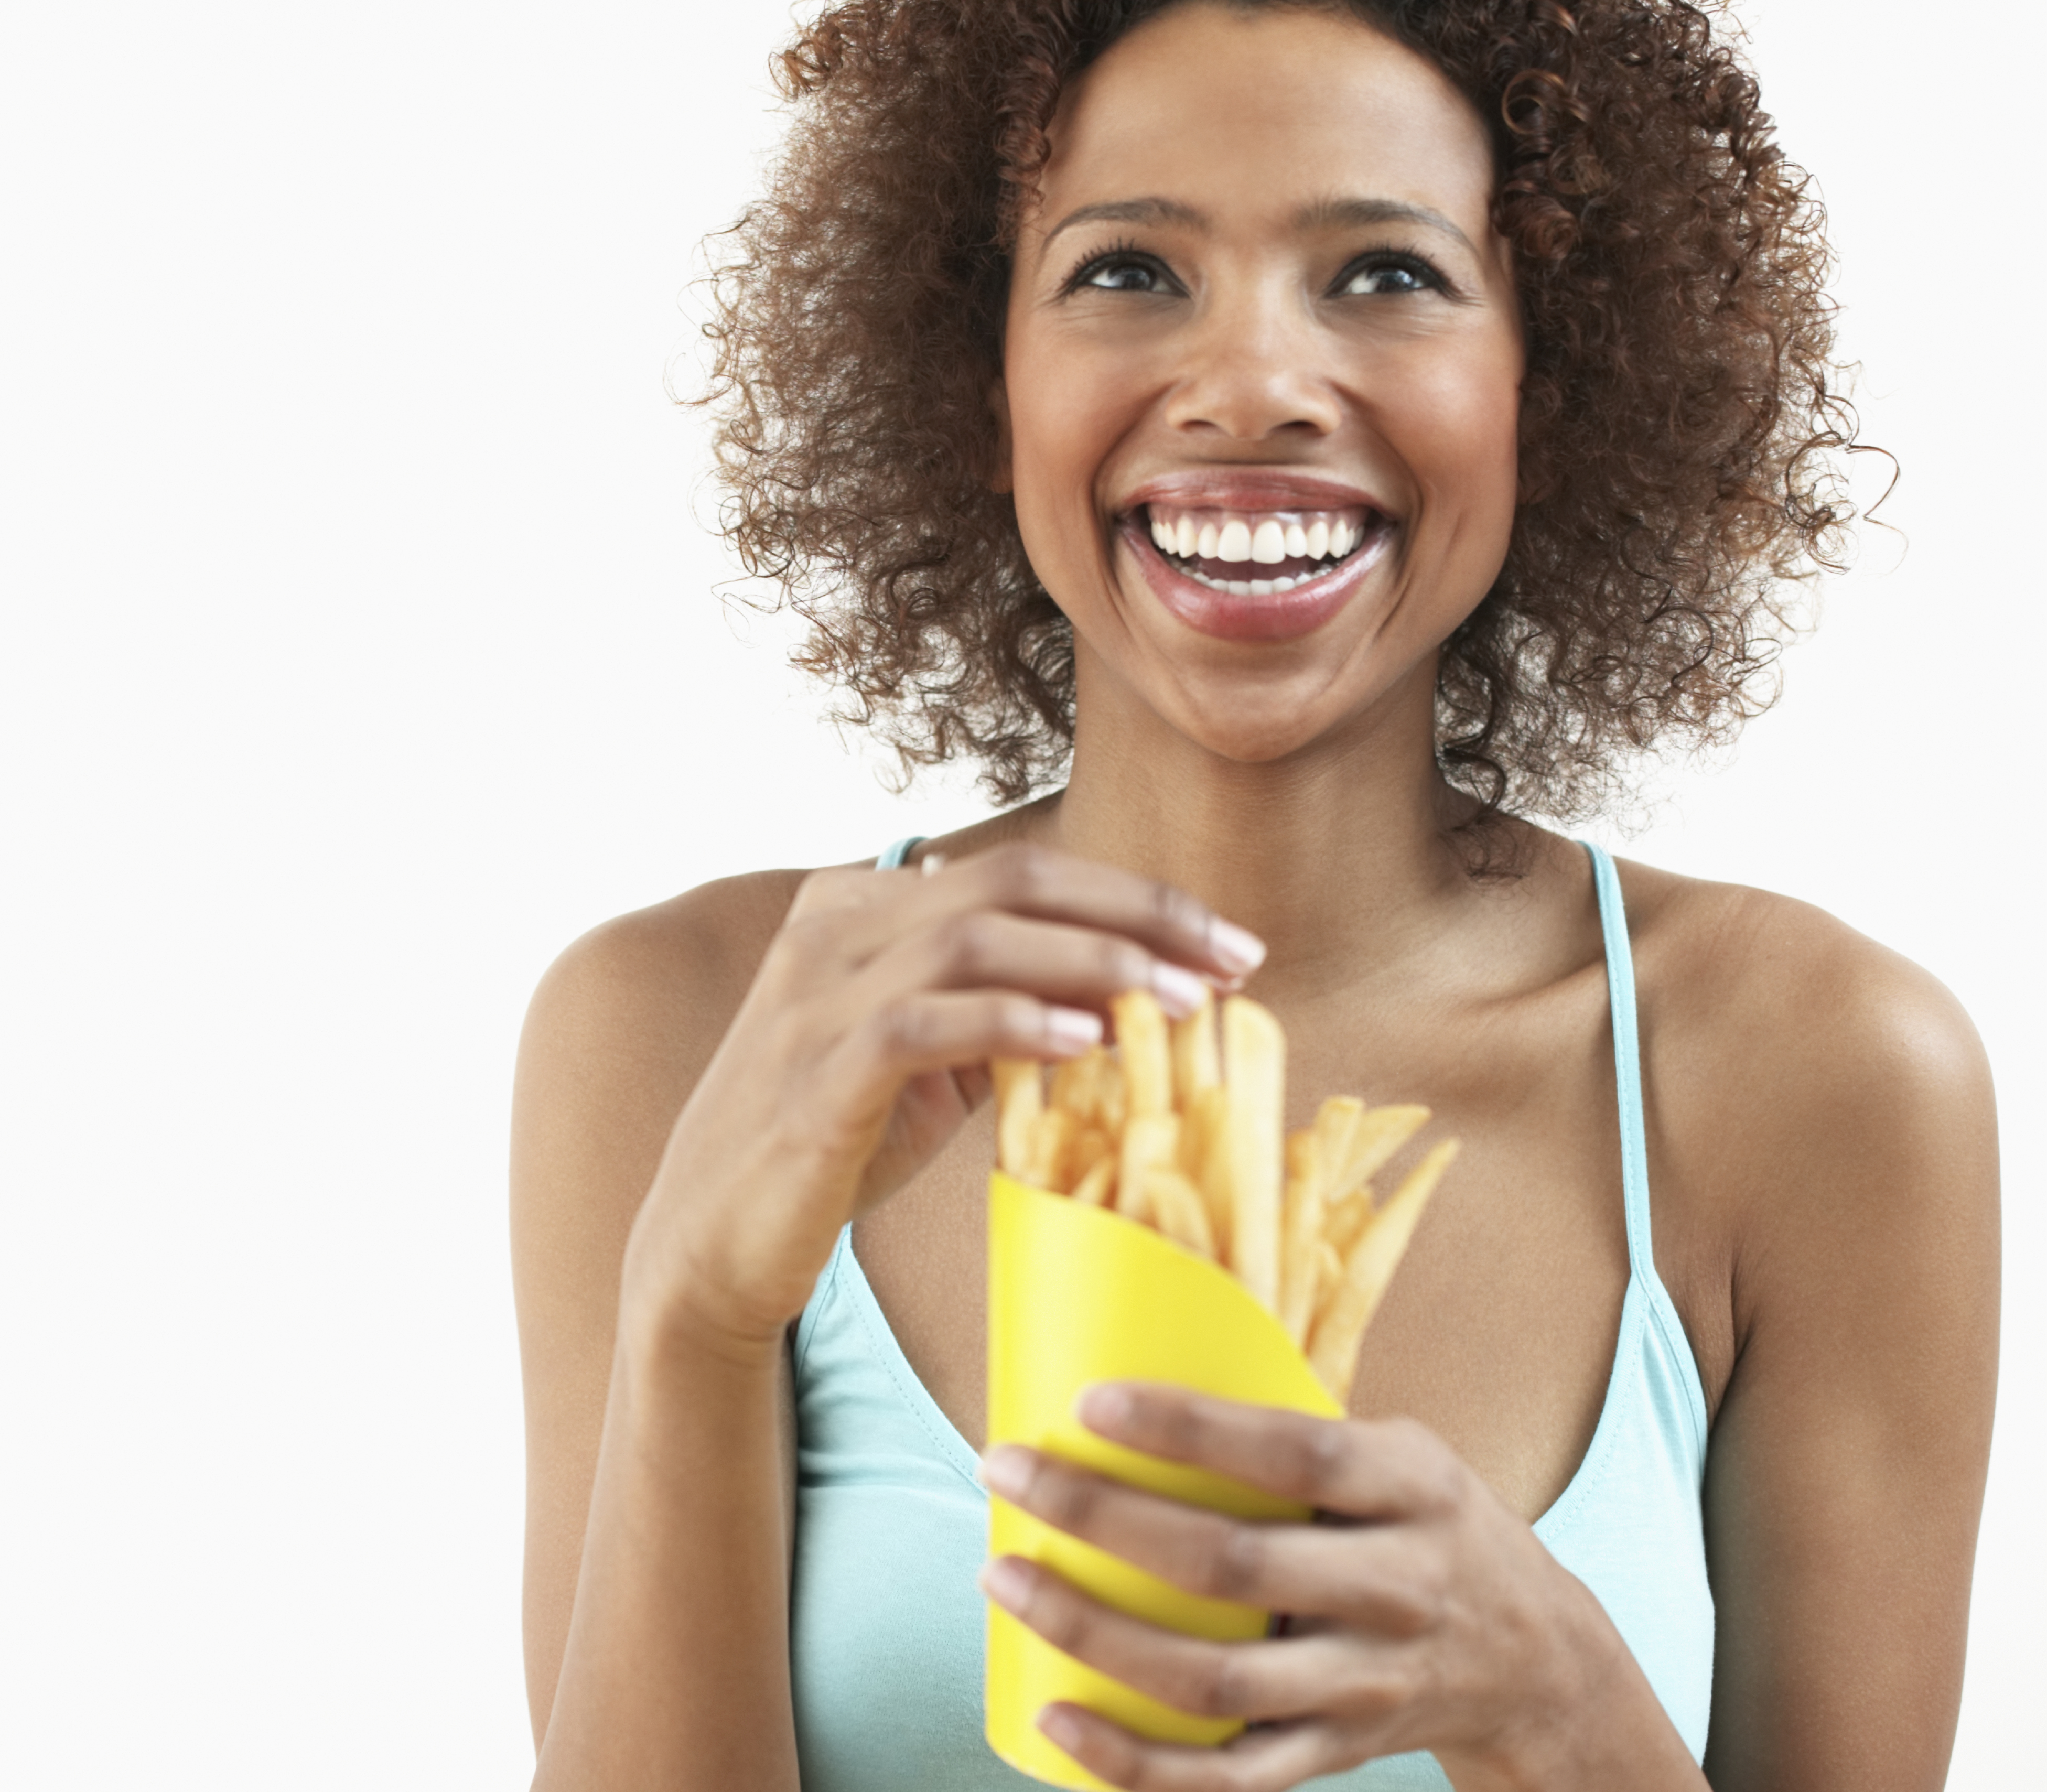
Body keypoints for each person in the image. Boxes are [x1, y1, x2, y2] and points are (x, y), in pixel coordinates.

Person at [509, 1, 1998, 1786]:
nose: (1249, 385)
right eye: (1127, 271)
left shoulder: (1815, 1074)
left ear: (1552, 377)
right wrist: (696, 1308)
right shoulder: (692, 1024)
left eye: (1383, 273)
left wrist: (1556, 1707)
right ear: (980, 377)